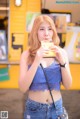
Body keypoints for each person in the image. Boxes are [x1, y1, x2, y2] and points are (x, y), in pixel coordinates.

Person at [19, 15, 72, 119]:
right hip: (34, 110)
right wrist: (36, 61)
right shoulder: (26, 55)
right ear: (35, 32)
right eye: (42, 29)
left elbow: (68, 85)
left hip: (56, 108)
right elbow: (22, 88)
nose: (46, 33)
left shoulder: (61, 53)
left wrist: (62, 62)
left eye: (50, 29)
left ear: (53, 32)